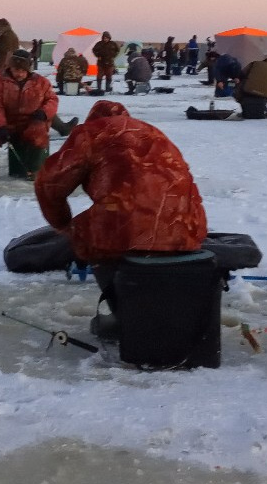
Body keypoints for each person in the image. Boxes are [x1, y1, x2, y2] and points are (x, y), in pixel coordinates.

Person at [34, 100, 208, 337]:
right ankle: (168, 316)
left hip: (125, 227)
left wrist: (63, 223)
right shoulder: (152, 132)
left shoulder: (91, 132)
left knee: (89, 234)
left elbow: (49, 184)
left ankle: (124, 315)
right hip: (185, 225)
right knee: (153, 245)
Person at [0, 49, 57, 180]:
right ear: (10, 67)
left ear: (28, 70)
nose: (19, 74)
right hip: (6, 121)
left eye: (22, 70)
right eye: (16, 70)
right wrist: (0, 125)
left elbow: (52, 99)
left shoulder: (41, 82)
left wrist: (44, 112)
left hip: (30, 121)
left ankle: (34, 170)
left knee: (38, 131)